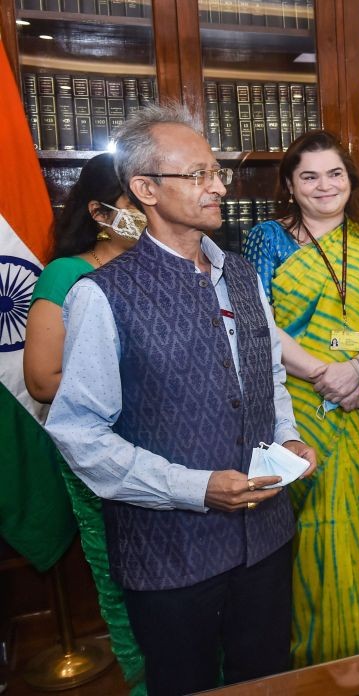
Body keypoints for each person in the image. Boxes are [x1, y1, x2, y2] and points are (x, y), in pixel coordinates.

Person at [45, 103, 317, 696]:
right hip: (170, 555)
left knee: (266, 676)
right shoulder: (100, 294)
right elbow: (79, 432)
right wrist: (192, 488)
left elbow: (266, 372)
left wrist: (288, 436)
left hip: (265, 536)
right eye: (198, 175)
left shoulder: (242, 274)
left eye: (216, 171)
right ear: (145, 188)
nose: (219, 186)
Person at [242, 130, 359, 665]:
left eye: (335, 173)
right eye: (309, 176)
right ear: (290, 187)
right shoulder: (267, 239)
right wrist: (327, 374)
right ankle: (318, 658)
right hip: (298, 407)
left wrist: (357, 368)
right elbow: (259, 322)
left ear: (351, 180)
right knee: (318, 525)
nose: (324, 185)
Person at [22, 152, 147, 694]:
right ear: (100, 212)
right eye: (134, 204)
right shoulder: (69, 274)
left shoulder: (162, 266)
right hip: (104, 456)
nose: (149, 213)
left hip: (173, 453)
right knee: (126, 586)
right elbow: (44, 379)